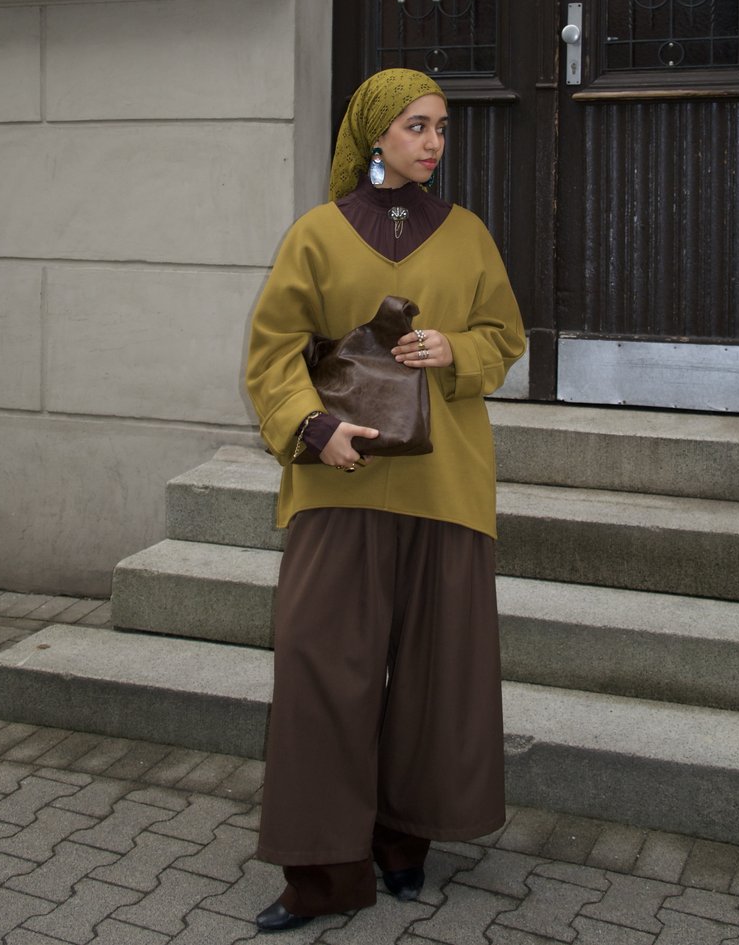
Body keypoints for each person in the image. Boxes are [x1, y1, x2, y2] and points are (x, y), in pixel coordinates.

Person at [245, 68, 525, 932]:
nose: (434, 141)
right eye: (416, 126)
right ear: (376, 134)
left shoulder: (470, 236)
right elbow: (272, 357)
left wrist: (458, 350)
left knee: (437, 678)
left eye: (441, 127)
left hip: (446, 489)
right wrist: (311, 428)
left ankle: (407, 843)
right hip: (340, 482)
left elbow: (505, 336)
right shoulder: (317, 236)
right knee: (322, 665)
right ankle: (324, 872)